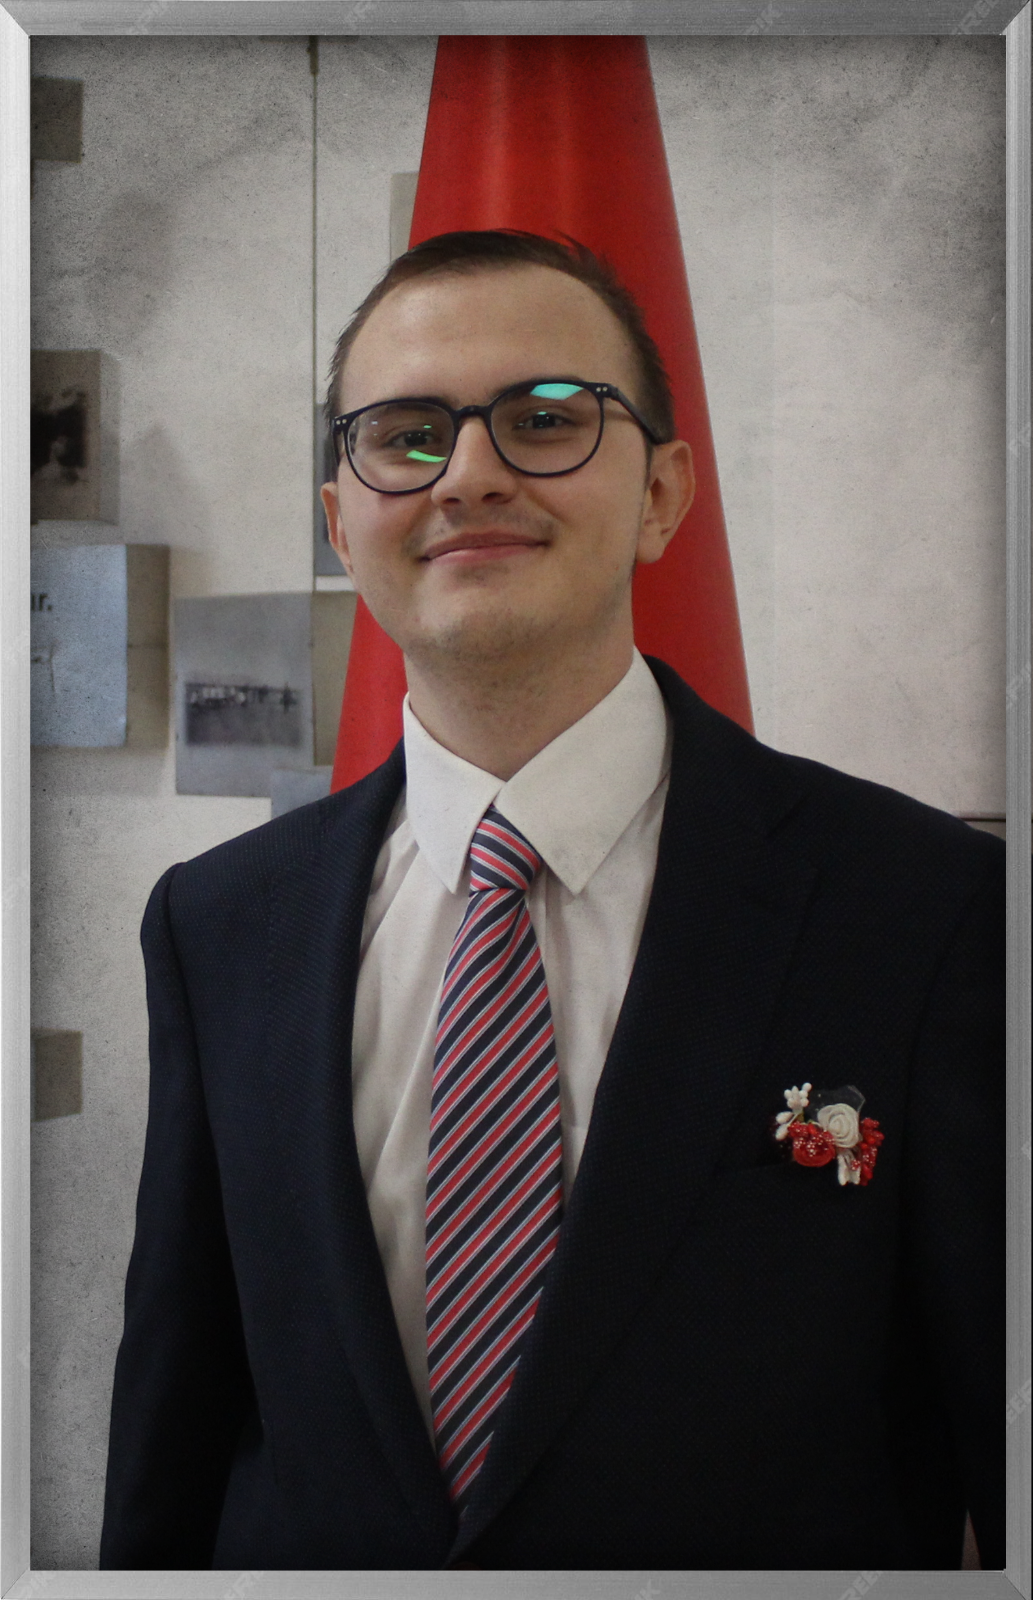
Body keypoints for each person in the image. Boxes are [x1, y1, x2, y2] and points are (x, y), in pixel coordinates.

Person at [99, 231, 1004, 1573]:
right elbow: (176, 1429)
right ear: (342, 521)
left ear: (661, 493)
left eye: (544, 419)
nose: (468, 473)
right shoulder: (218, 926)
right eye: (406, 436)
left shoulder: (928, 909)